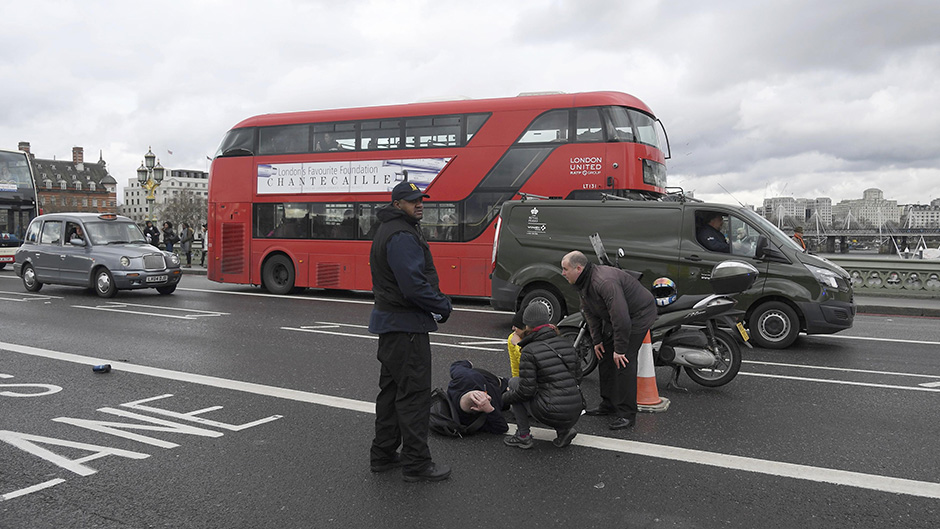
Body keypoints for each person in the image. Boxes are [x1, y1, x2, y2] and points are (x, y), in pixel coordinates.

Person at [368, 180, 453, 483]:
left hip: (391, 327)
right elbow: (413, 285)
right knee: (415, 396)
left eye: (421, 200)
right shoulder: (402, 235)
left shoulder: (388, 230)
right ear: (396, 204)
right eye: (412, 200)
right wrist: (442, 305)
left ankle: (383, 454)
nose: (419, 204)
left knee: (391, 394)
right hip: (407, 329)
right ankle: (417, 464)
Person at [561, 250, 657, 430]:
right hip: (616, 316)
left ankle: (627, 414)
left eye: (565, 269)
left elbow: (621, 318)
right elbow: (589, 312)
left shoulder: (604, 282)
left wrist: (620, 349)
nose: (563, 273)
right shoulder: (583, 281)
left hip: (638, 314)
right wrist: (597, 340)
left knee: (623, 361)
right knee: (604, 355)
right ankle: (609, 404)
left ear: (578, 268)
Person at [502, 302, 583, 449]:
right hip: (576, 409)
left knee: (514, 384)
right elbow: (578, 377)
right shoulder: (566, 343)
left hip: (551, 411)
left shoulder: (529, 350)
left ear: (527, 325)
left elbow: (526, 391)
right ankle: (564, 431)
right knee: (556, 389)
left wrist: (505, 398)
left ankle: (523, 436)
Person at [445, 360, 509, 435]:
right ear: (477, 408)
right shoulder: (470, 420)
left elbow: (456, 365)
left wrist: (468, 362)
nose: (489, 398)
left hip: (492, 380)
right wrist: (490, 409)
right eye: (487, 400)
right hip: (503, 394)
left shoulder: (467, 377)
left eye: (484, 394)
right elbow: (502, 428)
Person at [506, 308, 525, 378]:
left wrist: (518, 345)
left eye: (516, 326)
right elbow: (516, 369)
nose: (513, 328)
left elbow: (528, 365)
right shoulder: (512, 338)